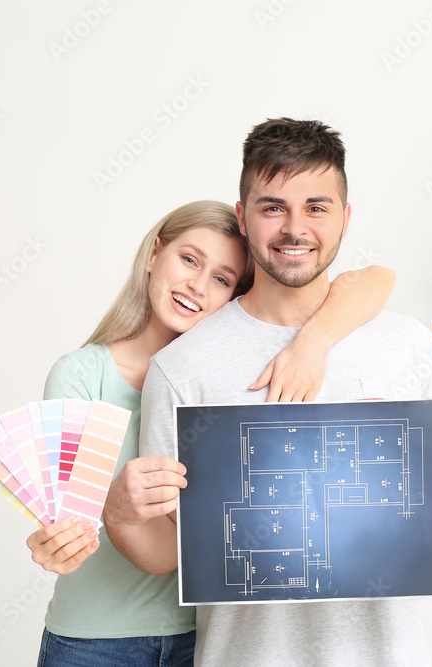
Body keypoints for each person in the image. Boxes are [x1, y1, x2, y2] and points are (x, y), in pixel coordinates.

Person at [105, 119, 432, 666]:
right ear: (243, 218)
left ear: (345, 219)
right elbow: (175, 551)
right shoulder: (182, 368)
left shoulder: (407, 345)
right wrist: (120, 512)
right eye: (273, 207)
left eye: (316, 207)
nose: (295, 228)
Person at [26, 199, 397, 666]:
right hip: (96, 641)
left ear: (236, 297)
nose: (197, 287)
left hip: (199, 638)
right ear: (153, 255)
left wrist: (313, 343)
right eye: (189, 260)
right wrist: (55, 541)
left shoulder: (221, 378)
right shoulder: (82, 376)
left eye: (221, 279)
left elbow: (377, 279)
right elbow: (68, 515)